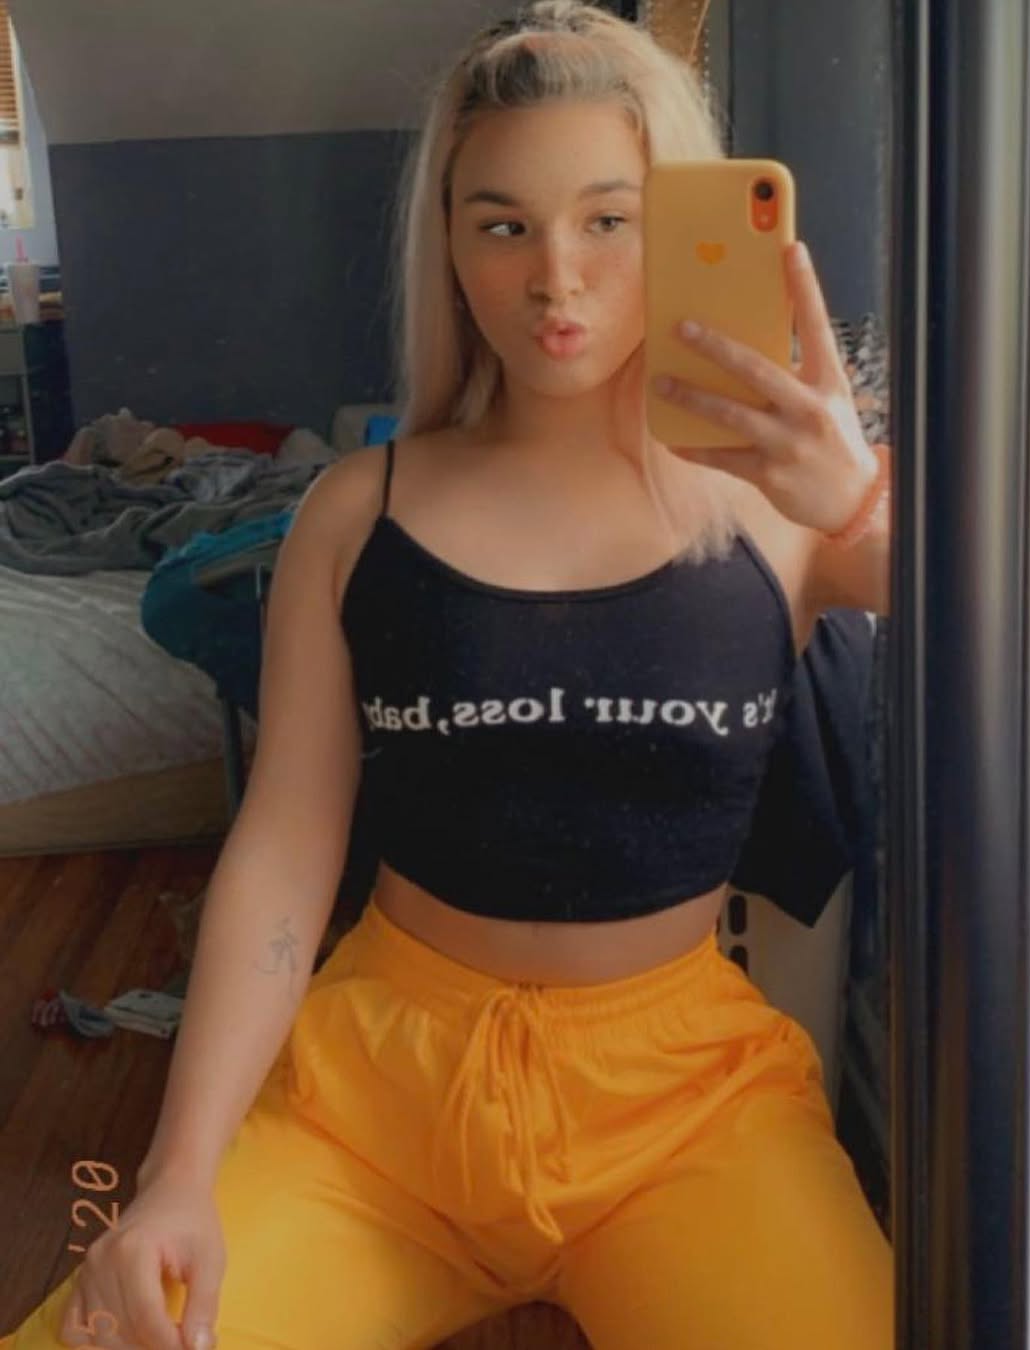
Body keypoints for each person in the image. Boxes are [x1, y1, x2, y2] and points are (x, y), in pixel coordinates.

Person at [3, 3, 893, 1347]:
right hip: (377, 1098)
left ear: (678, 224)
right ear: (450, 246)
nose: (555, 279)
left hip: (687, 1105)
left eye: (609, 218)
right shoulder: (356, 511)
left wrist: (862, 504)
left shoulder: (781, 507)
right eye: (503, 224)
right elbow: (285, 848)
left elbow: (1027, 635)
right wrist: (174, 1172)